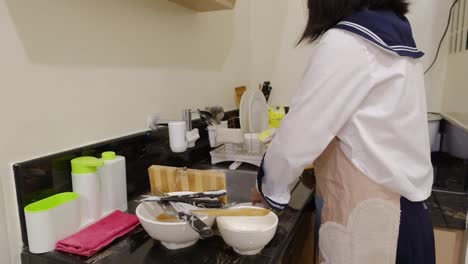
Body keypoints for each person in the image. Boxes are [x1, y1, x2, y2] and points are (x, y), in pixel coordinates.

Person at [251, 0, 435, 263]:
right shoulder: (395, 35)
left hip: (372, 224)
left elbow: (298, 137)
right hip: (410, 218)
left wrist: (267, 185)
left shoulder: (348, 41)